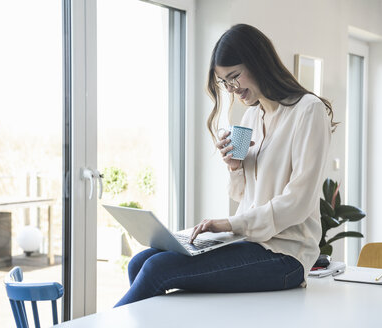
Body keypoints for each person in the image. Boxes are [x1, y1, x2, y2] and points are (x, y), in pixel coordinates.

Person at [114, 23, 336, 307]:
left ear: (259, 62)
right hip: (250, 242)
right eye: (224, 82)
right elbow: (241, 195)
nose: (232, 89)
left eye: (234, 77)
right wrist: (235, 166)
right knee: (140, 261)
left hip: (286, 257)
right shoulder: (250, 119)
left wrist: (229, 224)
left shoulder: (307, 110)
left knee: (158, 269)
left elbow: (300, 202)